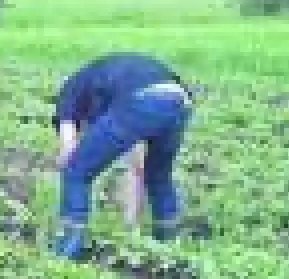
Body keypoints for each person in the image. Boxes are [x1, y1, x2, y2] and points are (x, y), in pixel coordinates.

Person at [51, 52, 194, 261]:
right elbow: (135, 167)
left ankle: (67, 249)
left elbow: (68, 149)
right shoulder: (106, 86)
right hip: (179, 100)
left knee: (76, 172)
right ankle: (169, 244)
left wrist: (71, 157)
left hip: (141, 99)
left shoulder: (69, 94)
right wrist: (130, 225)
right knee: (157, 176)